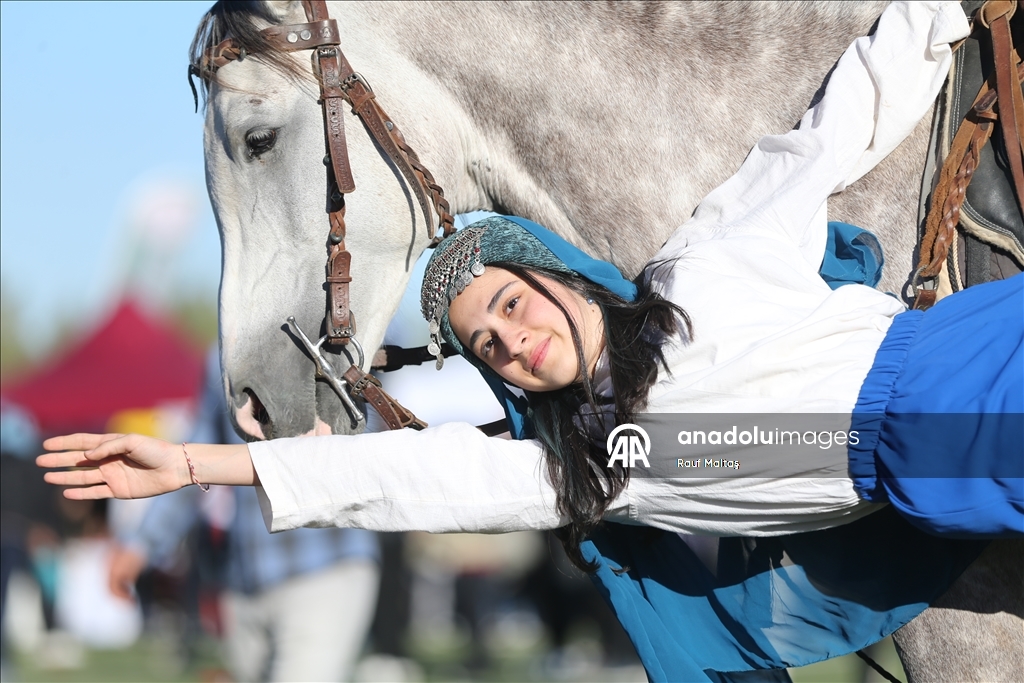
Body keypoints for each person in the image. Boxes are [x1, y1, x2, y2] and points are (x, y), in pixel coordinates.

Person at [37, 2, 1021, 680]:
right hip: (932, 452)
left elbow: (829, 134)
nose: (511, 337)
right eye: (486, 345)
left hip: (973, 355)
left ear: (554, 277)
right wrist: (197, 464)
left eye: (509, 303)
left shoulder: (708, 258)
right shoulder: (613, 463)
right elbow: (425, 478)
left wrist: (937, 11)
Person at [107, 347, 380, 682]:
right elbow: (193, 459)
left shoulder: (333, 337)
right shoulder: (221, 355)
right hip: (244, 579)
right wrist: (141, 544)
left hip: (325, 566)